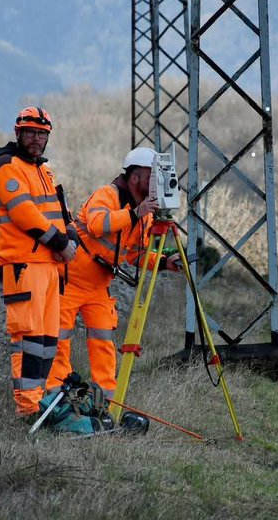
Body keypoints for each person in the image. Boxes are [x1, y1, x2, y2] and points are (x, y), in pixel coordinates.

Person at [46, 146, 181, 401]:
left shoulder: (144, 213)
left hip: (98, 286)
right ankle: (57, 396)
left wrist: (164, 263)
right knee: (59, 340)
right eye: (152, 176)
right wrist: (133, 214)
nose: (156, 183)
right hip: (70, 280)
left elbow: (135, 255)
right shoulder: (106, 195)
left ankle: (107, 401)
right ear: (134, 177)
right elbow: (98, 225)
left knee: (103, 343)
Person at [0, 105, 78, 417]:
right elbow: (25, 214)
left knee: (46, 339)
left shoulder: (42, 169)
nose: (37, 139)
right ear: (18, 133)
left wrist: (71, 235)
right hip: (24, 264)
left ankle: (41, 399)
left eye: (42, 133)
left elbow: (58, 210)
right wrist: (62, 242)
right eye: (31, 132)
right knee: (28, 338)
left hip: (48, 266)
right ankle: (28, 408)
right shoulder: (7, 167)